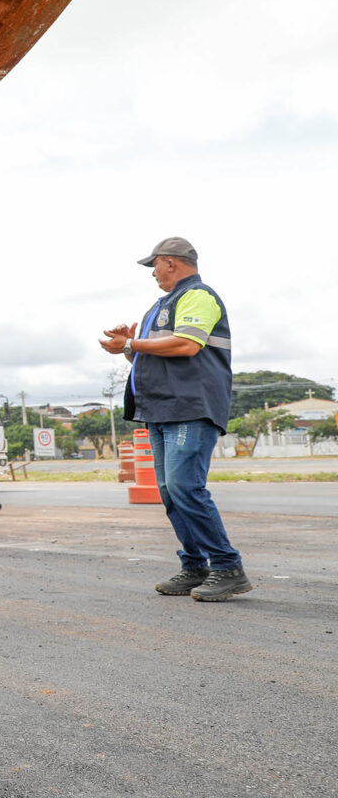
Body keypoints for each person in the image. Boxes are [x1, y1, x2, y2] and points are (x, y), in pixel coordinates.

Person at [100, 236, 249, 601]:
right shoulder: (159, 306)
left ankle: (227, 567)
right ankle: (195, 566)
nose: (152, 273)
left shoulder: (198, 296)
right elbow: (148, 358)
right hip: (160, 409)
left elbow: (187, 344)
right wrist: (129, 347)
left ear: (170, 262)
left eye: (154, 266)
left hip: (190, 406)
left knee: (185, 487)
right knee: (169, 491)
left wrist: (131, 344)